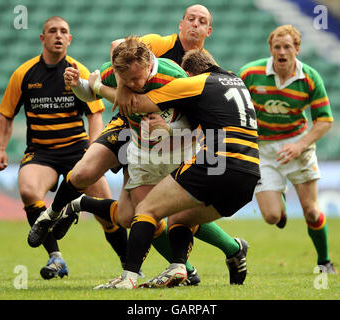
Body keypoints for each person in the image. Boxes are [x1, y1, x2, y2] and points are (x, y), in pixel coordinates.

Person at [28, 5, 249, 285]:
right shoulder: (157, 44)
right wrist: (91, 85)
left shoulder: (183, 77)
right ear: (180, 24)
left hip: (174, 143)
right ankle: (53, 213)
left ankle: (192, 262)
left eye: (201, 21)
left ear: (209, 30)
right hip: (130, 129)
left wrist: (166, 126)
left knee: (138, 214)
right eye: (190, 19)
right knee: (87, 174)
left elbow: (195, 122)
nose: (195, 25)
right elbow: (117, 48)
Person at [78, 48, 260, 289]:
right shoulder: (236, 81)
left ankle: (129, 278)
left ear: (188, 72)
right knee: (180, 218)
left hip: (218, 161)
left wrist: (99, 87)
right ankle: (180, 266)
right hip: (249, 174)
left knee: (146, 209)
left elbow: (138, 103)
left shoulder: (195, 82)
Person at [0, 16, 115, 280]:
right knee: (27, 189)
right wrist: (1, 149)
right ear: (42, 38)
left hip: (77, 150)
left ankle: (129, 263)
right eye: (52, 31)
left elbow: (95, 114)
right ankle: (55, 257)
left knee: (106, 207)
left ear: (69, 39)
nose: (58, 35)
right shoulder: (23, 74)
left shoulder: (78, 71)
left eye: (64, 32)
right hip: (42, 152)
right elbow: (6, 115)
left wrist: (93, 148)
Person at [238, 25, 337, 273]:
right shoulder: (250, 73)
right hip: (263, 149)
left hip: (298, 145)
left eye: (287, 47)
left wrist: (300, 145)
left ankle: (324, 262)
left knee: (312, 212)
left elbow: (324, 120)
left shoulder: (310, 77)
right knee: (271, 217)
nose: (282, 52)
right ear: (270, 49)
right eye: (277, 47)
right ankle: (279, 198)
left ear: (297, 49)